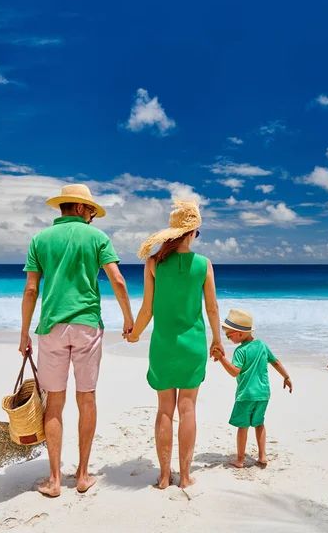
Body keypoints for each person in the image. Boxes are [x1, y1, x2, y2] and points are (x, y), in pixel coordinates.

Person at [19, 183, 134, 497]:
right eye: (92, 212)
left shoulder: (40, 239)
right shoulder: (97, 238)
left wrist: (24, 332)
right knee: (87, 399)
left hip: (51, 328)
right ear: (81, 208)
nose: (92, 219)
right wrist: (129, 319)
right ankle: (82, 476)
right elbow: (118, 281)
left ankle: (55, 480)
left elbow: (31, 290)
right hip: (86, 327)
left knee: (54, 403)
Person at [124, 199, 225, 489]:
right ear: (193, 233)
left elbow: (147, 310)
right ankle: (185, 476)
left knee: (164, 410)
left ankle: (165, 477)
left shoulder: (154, 262)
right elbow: (213, 308)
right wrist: (217, 341)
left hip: (163, 346)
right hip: (192, 345)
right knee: (188, 409)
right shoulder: (204, 265)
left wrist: (133, 335)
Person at [213, 308, 292, 468]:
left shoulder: (240, 351)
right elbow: (275, 362)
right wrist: (286, 377)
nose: (228, 338)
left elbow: (235, 372)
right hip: (263, 394)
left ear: (240, 334)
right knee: (259, 423)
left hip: (246, 395)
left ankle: (240, 460)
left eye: (229, 335)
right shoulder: (262, 345)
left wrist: (221, 359)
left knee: (243, 427)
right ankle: (262, 456)